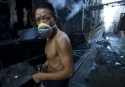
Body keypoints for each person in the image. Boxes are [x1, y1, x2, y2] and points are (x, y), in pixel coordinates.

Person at [32, 2, 74, 87]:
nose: (41, 24)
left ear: (54, 19)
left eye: (46, 18)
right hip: (49, 76)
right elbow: (52, 56)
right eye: (38, 20)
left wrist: (41, 76)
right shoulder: (48, 35)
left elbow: (70, 72)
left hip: (58, 82)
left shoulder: (61, 39)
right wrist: (44, 65)